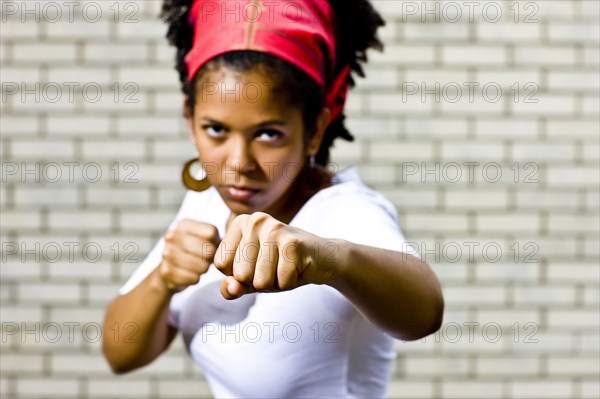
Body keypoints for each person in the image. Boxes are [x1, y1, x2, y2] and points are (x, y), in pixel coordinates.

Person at [102, 0, 444, 397]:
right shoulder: (209, 201)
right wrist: (163, 278)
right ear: (189, 119)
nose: (238, 164)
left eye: (268, 134)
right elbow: (119, 355)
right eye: (215, 129)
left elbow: (425, 313)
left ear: (315, 129)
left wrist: (331, 259)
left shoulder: (345, 211)